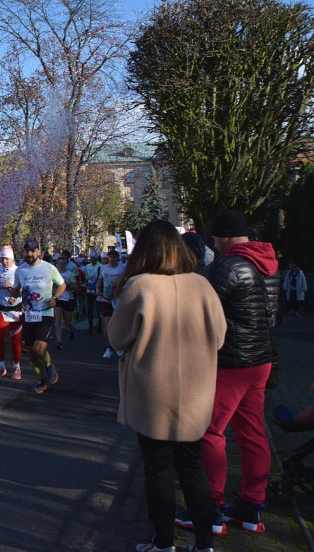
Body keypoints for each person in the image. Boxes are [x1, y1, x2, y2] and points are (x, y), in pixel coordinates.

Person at [107, 220, 226, 552]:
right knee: (192, 467)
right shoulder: (202, 285)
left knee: (157, 471)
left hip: (151, 393)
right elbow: (219, 337)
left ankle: (163, 544)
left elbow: (116, 337)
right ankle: (204, 544)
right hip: (196, 391)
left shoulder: (140, 286)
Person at [194, 210, 279, 535]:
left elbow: (202, 309)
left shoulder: (228, 266)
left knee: (212, 432)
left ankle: (211, 511)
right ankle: (251, 510)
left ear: (224, 236)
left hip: (232, 361)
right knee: (253, 433)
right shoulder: (268, 263)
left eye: (215, 238)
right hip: (261, 360)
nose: (214, 243)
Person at [13, 240, 65, 394]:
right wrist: (12, 296)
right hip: (29, 314)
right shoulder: (20, 270)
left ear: (39, 251)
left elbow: (62, 285)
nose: (29, 254)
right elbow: (16, 288)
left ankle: (49, 365)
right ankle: (41, 379)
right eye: (27, 251)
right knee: (29, 349)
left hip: (45, 312)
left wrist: (55, 298)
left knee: (39, 348)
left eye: (32, 251)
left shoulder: (49, 268)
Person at [0, 245, 24, 381]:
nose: (4, 261)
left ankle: (16, 367)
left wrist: (12, 289)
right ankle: (1, 366)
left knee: (15, 341)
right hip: (1, 309)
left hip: (16, 310)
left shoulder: (19, 271)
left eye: (7, 259)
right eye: (2, 258)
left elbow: (25, 290)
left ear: (12, 259)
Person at [97, 249, 125, 358]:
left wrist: (118, 284)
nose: (112, 259)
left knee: (118, 323)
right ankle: (108, 347)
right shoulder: (103, 268)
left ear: (117, 258)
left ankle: (119, 346)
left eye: (114, 257)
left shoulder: (122, 268)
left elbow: (126, 281)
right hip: (106, 298)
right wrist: (97, 289)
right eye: (110, 257)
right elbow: (100, 281)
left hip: (118, 299)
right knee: (107, 324)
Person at [54, 256, 80, 349]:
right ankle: (59, 341)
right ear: (57, 264)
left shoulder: (70, 274)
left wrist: (66, 285)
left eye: (63, 263)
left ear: (66, 265)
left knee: (66, 322)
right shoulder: (54, 274)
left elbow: (75, 287)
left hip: (68, 299)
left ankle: (71, 328)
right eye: (60, 263)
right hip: (58, 298)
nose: (61, 265)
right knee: (57, 321)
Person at [83, 252, 102, 333]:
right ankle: (90, 326)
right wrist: (86, 285)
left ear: (97, 258)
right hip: (90, 290)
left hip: (98, 290)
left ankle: (100, 324)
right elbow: (86, 276)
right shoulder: (87, 266)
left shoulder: (100, 266)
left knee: (98, 308)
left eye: (94, 258)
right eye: (91, 258)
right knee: (90, 308)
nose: (92, 260)